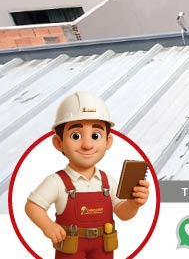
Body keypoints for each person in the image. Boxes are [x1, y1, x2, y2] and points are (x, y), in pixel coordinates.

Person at [25, 91, 150, 259]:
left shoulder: (107, 181)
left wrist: (133, 204)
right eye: (76, 135)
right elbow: (33, 206)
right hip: (70, 246)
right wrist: (48, 226)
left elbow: (122, 213)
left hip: (104, 246)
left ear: (107, 142)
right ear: (59, 143)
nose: (87, 144)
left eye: (95, 135)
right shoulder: (57, 182)